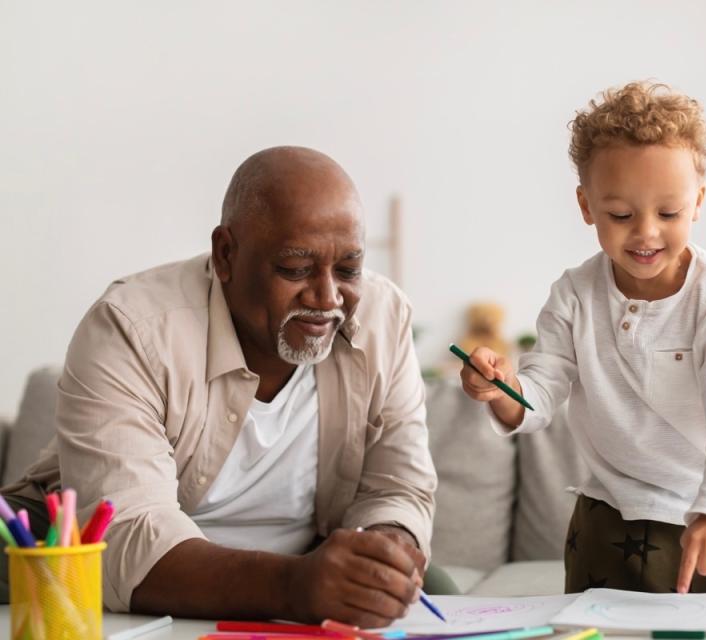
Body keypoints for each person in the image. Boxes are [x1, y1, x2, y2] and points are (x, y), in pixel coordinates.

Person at [0, 146, 444, 626]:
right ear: (226, 254)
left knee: (436, 591)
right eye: (295, 269)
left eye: (349, 269)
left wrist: (385, 551)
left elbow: (400, 485)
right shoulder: (132, 327)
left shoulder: (383, 316)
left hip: (303, 563)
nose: (328, 297)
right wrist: (294, 586)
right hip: (94, 559)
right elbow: (128, 537)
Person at [458, 82, 706, 595]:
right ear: (587, 206)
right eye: (622, 216)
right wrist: (501, 390)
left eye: (668, 214)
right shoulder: (574, 295)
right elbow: (539, 395)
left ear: (697, 202)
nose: (647, 233)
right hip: (612, 517)